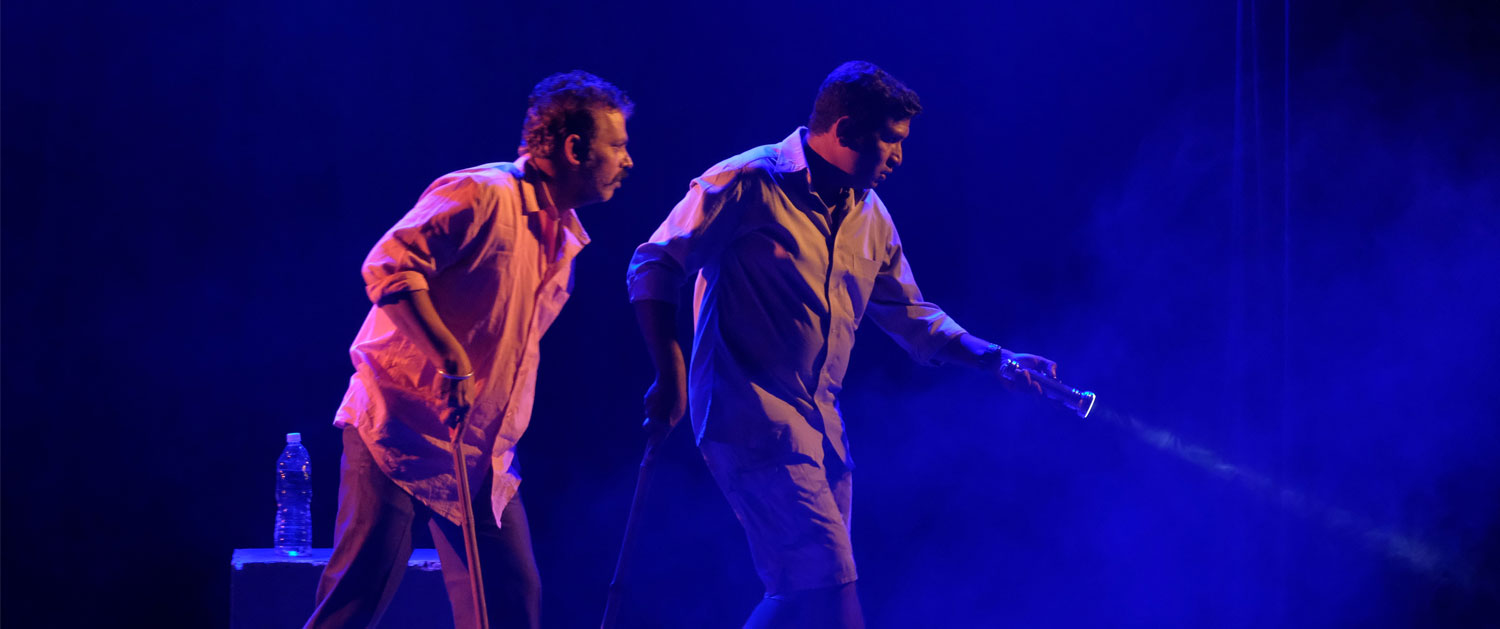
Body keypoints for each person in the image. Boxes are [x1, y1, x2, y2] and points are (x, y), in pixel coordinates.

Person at [626, 61, 1057, 628]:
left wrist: (997, 359)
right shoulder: (750, 181)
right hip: (750, 416)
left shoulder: (870, 214)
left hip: (822, 428)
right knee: (835, 593)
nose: (898, 157)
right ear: (847, 130)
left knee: (800, 595)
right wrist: (670, 369)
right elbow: (655, 262)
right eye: (890, 140)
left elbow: (912, 316)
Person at [306, 70, 634, 629]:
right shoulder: (483, 192)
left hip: (480, 449)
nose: (627, 161)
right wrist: (449, 357)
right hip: (399, 426)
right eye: (618, 146)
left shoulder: (563, 233)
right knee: (357, 597)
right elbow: (389, 266)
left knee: (511, 604)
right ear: (575, 148)